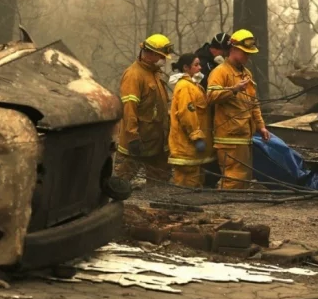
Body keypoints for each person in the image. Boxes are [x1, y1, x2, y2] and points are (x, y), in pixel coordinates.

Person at [207, 29, 270, 189]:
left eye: (249, 54)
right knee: (232, 179)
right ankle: (225, 209)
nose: (248, 57)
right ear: (233, 49)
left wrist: (260, 126)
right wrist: (233, 89)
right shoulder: (220, 72)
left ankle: (236, 208)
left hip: (245, 135)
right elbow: (211, 96)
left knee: (243, 178)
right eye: (245, 53)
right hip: (228, 137)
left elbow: (253, 103)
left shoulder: (246, 73)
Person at [115, 34, 173, 185]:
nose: (164, 60)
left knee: (160, 179)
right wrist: (133, 137)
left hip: (157, 140)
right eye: (161, 56)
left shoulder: (154, 74)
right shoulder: (134, 75)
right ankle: (111, 201)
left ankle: (156, 205)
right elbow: (129, 109)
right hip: (139, 140)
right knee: (123, 178)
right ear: (151, 54)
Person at [166, 54, 216, 187]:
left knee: (195, 181)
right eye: (196, 65)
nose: (200, 67)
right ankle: (181, 206)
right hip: (187, 146)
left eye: (199, 64)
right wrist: (196, 136)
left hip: (191, 148)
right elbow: (187, 114)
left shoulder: (193, 86)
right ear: (186, 68)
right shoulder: (185, 87)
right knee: (187, 183)